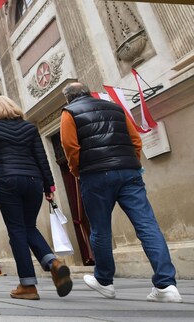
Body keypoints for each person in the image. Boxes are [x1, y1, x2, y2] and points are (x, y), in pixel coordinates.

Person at [60, 82, 182, 303]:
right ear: (88, 92)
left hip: (95, 175)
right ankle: (167, 285)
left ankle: (105, 281)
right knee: (147, 225)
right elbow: (135, 140)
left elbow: (70, 147)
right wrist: (130, 163)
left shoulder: (69, 113)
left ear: (68, 99)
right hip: (129, 173)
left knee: (100, 229)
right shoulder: (115, 108)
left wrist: (78, 171)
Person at [0, 96, 71, 300]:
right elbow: (41, 157)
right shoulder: (29, 128)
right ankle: (53, 263)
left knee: (17, 231)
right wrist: (49, 186)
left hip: (8, 182)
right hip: (33, 181)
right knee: (29, 227)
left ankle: (28, 285)